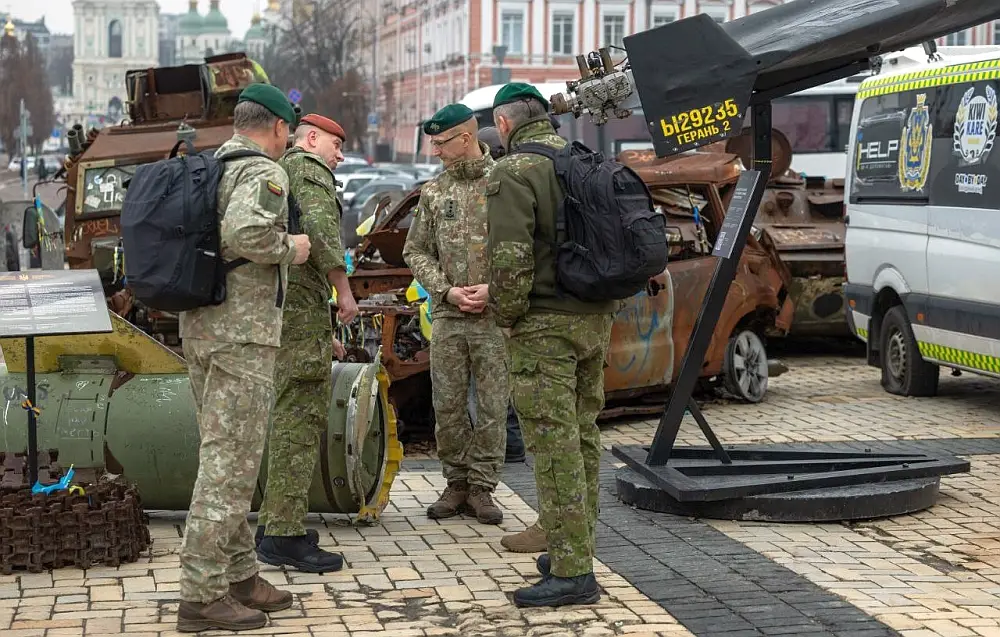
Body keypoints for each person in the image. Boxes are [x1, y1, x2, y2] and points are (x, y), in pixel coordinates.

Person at [176, 83, 312, 633]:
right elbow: (247, 232)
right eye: (291, 132)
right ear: (278, 128)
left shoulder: (212, 168)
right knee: (229, 467)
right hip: (243, 336)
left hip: (203, 328)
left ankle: (239, 576)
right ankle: (201, 595)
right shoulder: (264, 173)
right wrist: (292, 250)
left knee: (226, 455)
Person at [486, 83, 617, 608]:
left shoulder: (514, 171)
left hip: (545, 325)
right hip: (594, 318)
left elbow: (511, 260)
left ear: (503, 124)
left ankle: (572, 572)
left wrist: (507, 317)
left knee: (551, 443)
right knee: (583, 434)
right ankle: (575, 543)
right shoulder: (582, 158)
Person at [254, 113, 358, 573]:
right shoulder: (309, 170)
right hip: (299, 311)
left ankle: (276, 521)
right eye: (336, 145)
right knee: (299, 420)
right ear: (311, 138)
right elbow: (321, 233)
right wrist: (345, 290)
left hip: (287, 310)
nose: (339, 155)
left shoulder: (281, 170)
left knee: (287, 417)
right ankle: (284, 536)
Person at [402, 103, 507, 525]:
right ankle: (456, 483)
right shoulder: (434, 192)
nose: (436, 152)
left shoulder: (505, 184)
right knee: (446, 403)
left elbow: (528, 249)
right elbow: (415, 250)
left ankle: (483, 487)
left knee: (492, 405)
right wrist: (445, 291)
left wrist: (493, 290)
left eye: (442, 143)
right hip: (448, 317)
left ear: (466, 138)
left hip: (493, 316)